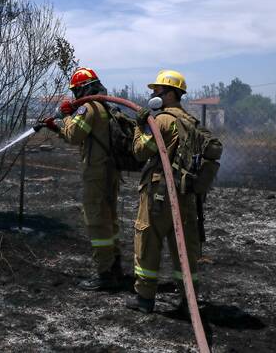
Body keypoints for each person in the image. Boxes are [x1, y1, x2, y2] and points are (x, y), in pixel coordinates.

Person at [41, 67, 122, 291]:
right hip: (109, 172)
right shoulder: (104, 106)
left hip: (96, 173)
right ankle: (115, 267)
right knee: (109, 218)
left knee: (96, 221)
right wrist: (56, 126)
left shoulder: (89, 107)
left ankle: (104, 274)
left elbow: (74, 135)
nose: (75, 96)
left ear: (82, 89)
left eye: (76, 91)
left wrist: (66, 117)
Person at [128, 70, 201, 313]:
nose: (152, 94)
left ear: (170, 94)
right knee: (184, 249)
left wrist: (139, 126)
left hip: (159, 194)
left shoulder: (162, 121)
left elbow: (140, 151)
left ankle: (145, 299)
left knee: (148, 241)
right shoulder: (191, 122)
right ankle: (188, 300)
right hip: (186, 195)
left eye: (157, 90)